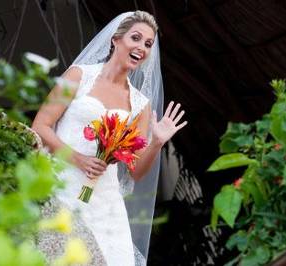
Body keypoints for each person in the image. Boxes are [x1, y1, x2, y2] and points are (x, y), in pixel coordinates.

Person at [31, 10, 187, 266]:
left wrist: (157, 141)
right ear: (116, 40)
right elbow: (41, 125)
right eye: (135, 38)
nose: (142, 48)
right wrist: (78, 159)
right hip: (61, 184)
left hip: (105, 202)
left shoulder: (140, 105)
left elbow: (135, 170)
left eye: (148, 44)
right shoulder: (78, 76)